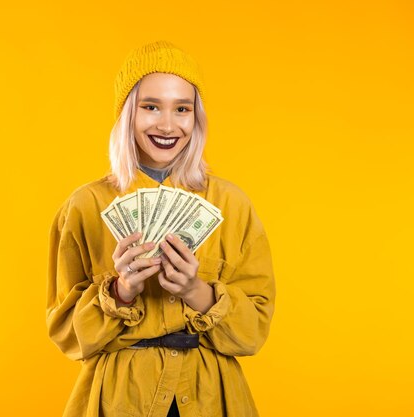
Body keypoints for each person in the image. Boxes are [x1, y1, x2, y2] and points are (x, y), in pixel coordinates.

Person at [46, 40, 276, 417]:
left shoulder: (232, 205)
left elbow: (254, 332)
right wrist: (120, 292)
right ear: (127, 115)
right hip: (120, 398)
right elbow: (67, 335)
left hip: (212, 396)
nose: (168, 125)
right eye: (150, 107)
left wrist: (196, 291)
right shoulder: (85, 207)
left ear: (196, 118)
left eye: (182, 109)